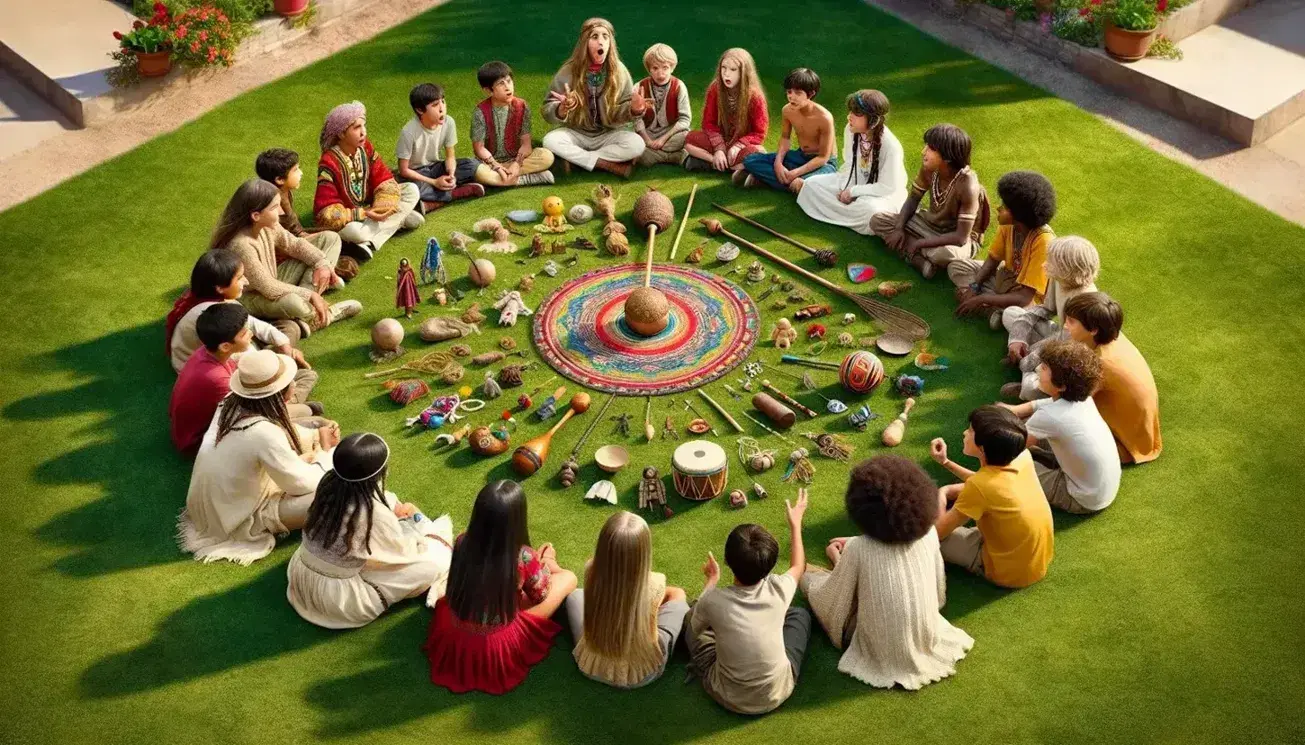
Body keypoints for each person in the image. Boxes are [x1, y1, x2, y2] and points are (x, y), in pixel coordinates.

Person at [804, 457, 974, 688]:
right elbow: (936, 587)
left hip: (880, 642)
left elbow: (834, 596)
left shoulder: (860, 549)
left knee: (809, 580)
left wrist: (835, 558)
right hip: (926, 631)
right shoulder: (929, 534)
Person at [178, 349, 341, 565]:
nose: (294, 385)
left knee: (310, 443)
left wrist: (315, 437)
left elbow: (284, 434)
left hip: (213, 507)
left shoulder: (229, 402)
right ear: (281, 394)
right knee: (338, 491)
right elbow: (300, 484)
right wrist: (326, 453)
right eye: (290, 382)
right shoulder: (263, 433)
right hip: (238, 520)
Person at [287, 433, 455, 629]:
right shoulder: (374, 514)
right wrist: (420, 531)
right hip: (336, 600)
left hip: (301, 573)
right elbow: (402, 554)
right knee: (436, 559)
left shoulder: (328, 483)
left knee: (390, 499)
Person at [424, 480, 578, 694]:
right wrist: (547, 563)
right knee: (569, 578)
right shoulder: (523, 556)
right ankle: (552, 562)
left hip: (455, 627)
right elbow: (541, 594)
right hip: (496, 643)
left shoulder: (462, 541)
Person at [685, 490, 811, 716]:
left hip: (727, 694)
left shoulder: (714, 600)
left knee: (692, 618)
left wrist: (712, 581)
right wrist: (795, 524)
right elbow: (798, 566)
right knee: (799, 615)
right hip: (779, 691)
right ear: (770, 564)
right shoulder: (780, 587)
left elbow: (695, 629)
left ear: (727, 561)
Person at [213, 179, 360, 340]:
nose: (282, 212)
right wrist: (310, 295)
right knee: (292, 303)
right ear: (256, 215)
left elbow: (294, 245)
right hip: (250, 297)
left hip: (273, 280)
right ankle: (322, 316)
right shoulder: (241, 245)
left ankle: (310, 305)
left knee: (330, 239)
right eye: (275, 207)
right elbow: (268, 287)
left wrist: (321, 263)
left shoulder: (269, 225)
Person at [169, 303, 320, 457]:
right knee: (309, 416)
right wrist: (282, 399)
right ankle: (294, 405)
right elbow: (250, 418)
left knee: (306, 376)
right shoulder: (217, 379)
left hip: (207, 423)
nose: (250, 334)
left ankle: (294, 405)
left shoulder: (207, 352)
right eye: (244, 334)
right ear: (225, 346)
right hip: (203, 441)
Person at [931, 407, 1055, 588]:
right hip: (1033, 561)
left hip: (1006, 573)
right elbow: (993, 484)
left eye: (971, 431)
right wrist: (945, 462)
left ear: (982, 448)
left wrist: (942, 493)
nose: (965, 432)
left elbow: (938, 532)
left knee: (923, 533)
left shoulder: (980, 486)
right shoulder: (1022, 456)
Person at [564, 511, 689, 689]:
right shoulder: (654, 584)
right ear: (643, 554)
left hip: (592, 666)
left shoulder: (590, 570)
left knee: (575, 596)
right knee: (678, 595)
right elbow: (670, 594)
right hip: (641, 674)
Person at [168, 251, 316, 400]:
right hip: (224, 362)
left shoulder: (217, 302)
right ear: (219, 287)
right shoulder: (214, 317)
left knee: (289, 328)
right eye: (239, 278)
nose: (246, 281)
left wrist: (284, 345)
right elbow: (246, 356)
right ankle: (287, 405)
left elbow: (253, 324)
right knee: (306, 376)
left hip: (230, 349)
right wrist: (284, 363)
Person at [999, 339, 1121, 514]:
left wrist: (991, 424)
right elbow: (1047, 403)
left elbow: (1012, 448)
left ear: (1062, 385)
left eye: (1045, 368)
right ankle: (1047, 459)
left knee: (1012, 466)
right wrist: (1016, 410)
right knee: (1033, 438)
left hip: (1081, 499)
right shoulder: (1082, 398)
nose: (1038, 368)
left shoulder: (1050, 417)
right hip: (1101, 489)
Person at [870, 123, 990, 279]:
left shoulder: (968, 185)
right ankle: (918, 260)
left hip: (957, 237)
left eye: (931, 149)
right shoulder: (929, 168)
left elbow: (960, 238)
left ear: (947, 157)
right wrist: (899, 228)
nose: (923, 152)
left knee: (943, 254)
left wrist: (919, 244)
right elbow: (913, 199)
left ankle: (912, 252)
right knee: (877, 220)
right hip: (929, 225)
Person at [314, 100, 423, 261]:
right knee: (355, 232)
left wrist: (381, 209)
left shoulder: (365, 148)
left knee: (412, 190)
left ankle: (369, 242)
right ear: (341, 134)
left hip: (372, 209)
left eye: (364, 126)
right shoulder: (328, 162)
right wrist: (364, 213)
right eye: (357, 128)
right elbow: (327, 213)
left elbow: (383, 177)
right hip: (350, 220)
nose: (363, 132)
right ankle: (396, 223)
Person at [1061, 292, 1162, 464]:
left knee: (1058, 439)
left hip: (1126, 445)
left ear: (1093, 330)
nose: (1064, 326)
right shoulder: (1112, 339)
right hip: (1138, 433)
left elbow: (1070, 405)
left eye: (1071, 321)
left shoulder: (1101, 363)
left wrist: (1022, 410)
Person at [540, 17, 648, 179]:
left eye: (605, 36)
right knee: (550, 140)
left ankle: (579, 160)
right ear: (585, 43)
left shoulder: (620, 71)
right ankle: (606, 164)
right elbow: (547, 110)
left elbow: (622, 113)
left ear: (611, 43)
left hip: (608, 134)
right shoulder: (568, 70)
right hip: (576, 133)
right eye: (594, 37)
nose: (601, 42)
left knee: (637, 144)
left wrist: (634, 109)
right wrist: (561, 109)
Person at [949, 171, 1057, 328]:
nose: (998, 208)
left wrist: (981, 299)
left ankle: (991, 309)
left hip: (1027, 299)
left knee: (1018, 312)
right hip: (1004, 281)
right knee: (957, 266)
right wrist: (975, 286)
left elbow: (1025, 298)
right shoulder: (1008, 226)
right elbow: (993, 260)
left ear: (1019, 214)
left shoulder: (1044, 241)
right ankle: (992, 310)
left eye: (1005, 207)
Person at [796, 89, 907, 235]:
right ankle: (847, 214)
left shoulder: (891, 146)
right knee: (811, 185)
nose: (849, 117)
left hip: (882, 195)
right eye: (850, 112)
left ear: (873, 120)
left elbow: (887, 187)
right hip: (853, 181)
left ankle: (842, 213)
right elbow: (849, 164)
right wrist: (846, 189)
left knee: (872, 212)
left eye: (856, 113)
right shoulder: (850, 130)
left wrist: (853, 192)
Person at [1001, 234, 1100, 374]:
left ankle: (1028, 371)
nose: (1044, 265)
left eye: (1051, 262)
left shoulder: (1084, 301)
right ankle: (1025, 358)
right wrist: (1018, 337)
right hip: (1058, 335)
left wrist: (1028, 360)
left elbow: (1065, 342)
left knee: (1036, 380)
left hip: (1071, 351)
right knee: (1011, 313)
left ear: (1066, 268)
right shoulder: (1059, 279)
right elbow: (1046, 309)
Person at [739, 68, 836, 192]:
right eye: (789, 92)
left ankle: (770, 180)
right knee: (750, 160)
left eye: (798, 93)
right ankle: (789, 182)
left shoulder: (824, 118)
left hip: (824, 164)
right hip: (800, 156)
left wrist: (795, 173)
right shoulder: (787, 110)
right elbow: (785, 138)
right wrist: (778, 164)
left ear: (811, 94)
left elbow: (823, 157)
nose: (791, 97)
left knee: (801, 182)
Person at [396, 83, 485, 213]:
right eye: (435, 105)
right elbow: (403, 170)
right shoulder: (408, 132)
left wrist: (451, 174)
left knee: (471, 164)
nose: (442, 108)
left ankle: (432, 201)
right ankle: (459, 192)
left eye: (443, 102)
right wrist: (434, 182)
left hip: (436, 168)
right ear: (420, 110)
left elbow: (450, 156)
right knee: (411, 189)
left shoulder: (449, 122)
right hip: (416, 174)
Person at [470, 61, 556, 187]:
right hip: (491, 163)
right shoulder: (480, 112)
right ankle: (524, 179)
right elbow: (479, 148)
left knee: (546, 156)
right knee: (476, 169)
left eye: (509, 81)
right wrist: (496, 166)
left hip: (517, 159)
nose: (507, 87)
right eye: (501, 83)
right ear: (488, 91)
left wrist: (517, 164)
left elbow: (526, 144)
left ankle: (500, 180)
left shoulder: (522, 106)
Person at [682, 48, 767, 174]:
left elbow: (759, 132)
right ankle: (720, 163)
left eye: (733, 70)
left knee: (759, 151)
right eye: (724, 68)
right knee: (689, 140)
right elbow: (708, 123)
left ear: (744, 72)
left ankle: (714, 164)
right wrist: (719, 150)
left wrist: (739, 145)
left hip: (740, 147)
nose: (726, 74)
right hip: (718, 141)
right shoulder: (715, 88)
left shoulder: (755, 97)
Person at [633, 43, 691, 168]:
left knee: (687, 136)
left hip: (671, 135)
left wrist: (662, 140)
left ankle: (654, 156)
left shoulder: (679, 87)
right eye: (655, 68)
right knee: (632, 142)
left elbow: (685, 120)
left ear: (672, 68)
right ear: (649, 69)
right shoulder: (638, 87)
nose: (660, 74)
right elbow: (635, 119)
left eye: (665, 68)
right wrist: (648, 141)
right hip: (648, 135)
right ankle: (674, 156)